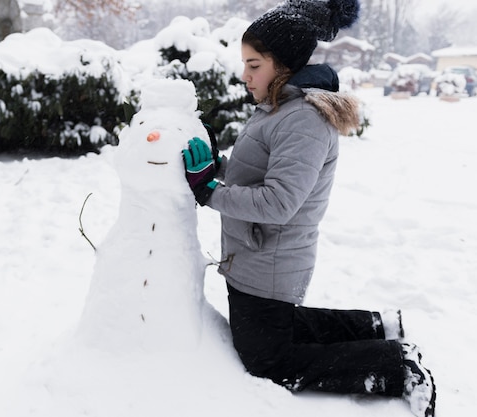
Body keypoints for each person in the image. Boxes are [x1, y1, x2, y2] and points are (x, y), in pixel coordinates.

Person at [181, 1, 436, 416]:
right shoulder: (279, 109)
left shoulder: (303, 119)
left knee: (269, 360)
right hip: (255, 252)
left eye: (254, 65)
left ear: (281, 66)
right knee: (276, 329)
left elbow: (280, 201)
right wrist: (217, 165)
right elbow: (259, 174)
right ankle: (377, 326)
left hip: (271, 257)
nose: (244, 76)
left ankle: (397, 367)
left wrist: (208, 191)